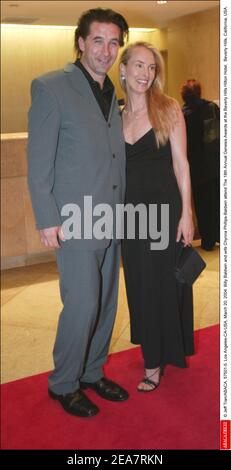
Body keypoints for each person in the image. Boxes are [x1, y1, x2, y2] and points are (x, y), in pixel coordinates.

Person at [28, 8, 129, 418]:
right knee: (83, 303)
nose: (107, 50)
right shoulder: (52, 86)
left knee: (105, 303)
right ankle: (64, 382)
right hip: (74, 220)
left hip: (113, 216)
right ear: (81, 42)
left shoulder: (113, 93)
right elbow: (38, 162)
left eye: (114, 42)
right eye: (99, 40)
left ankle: (91, 372)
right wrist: (46, 217)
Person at [119, 42, 195, 392]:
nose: (145, 74)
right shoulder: (115, 116)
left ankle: (156, 360)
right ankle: (153, 347)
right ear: (123, 69)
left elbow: (182, 165)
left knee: (164, 284)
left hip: (164, 212)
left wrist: (187, 213)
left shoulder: (168, 108)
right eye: (138, 66)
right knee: (139, 285)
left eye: (151, 68)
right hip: (129, 216)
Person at [181, 79, 220, 251]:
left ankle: (207, 240)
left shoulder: (182, 114)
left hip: (195, 168)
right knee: (217, 202)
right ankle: (220, 234)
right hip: (214, 164)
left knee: (202, 205)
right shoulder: (211, 107)